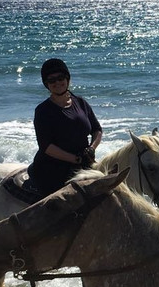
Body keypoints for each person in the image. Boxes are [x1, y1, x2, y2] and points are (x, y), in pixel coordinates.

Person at [26, 58, 103, 196]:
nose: (57, 82)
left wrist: (91, 149)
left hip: (83, 164)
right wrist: (76, 159)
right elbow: (47, 147)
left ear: (67, 79)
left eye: (60, 78)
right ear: (46, 84)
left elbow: (97, 129)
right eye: (51, 80)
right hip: (53, 169)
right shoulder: (43, 111)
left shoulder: (80, 102)